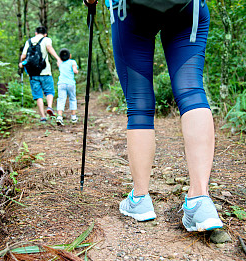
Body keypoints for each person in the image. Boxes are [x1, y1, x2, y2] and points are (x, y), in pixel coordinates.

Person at [85, 0, 223, 232]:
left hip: (130, 10)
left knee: (139, 103)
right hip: (188, 6)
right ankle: (200, 199)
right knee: (191, 90)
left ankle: (140, 199)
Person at [19, 26, 62, 123]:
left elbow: (24, 56)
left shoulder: (29, 41)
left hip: (33, 73)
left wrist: (22, 62)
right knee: (49, 91)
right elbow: (49, 48)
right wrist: (57, 58)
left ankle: (43, 117)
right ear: (45, 34)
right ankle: (50, 107)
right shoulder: (46, 39)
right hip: (45, 71)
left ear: (35, 33)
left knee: (38, 95)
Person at [56, 48, 79, 126]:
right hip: (70, 83)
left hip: (61, 83)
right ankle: (73, 117)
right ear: (70, 56)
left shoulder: (60, 63)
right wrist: (76, 70)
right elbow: (75, 70)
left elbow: (59, 62)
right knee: (72, 99)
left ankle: (59, 117)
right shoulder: (72, 61)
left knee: (61, 99)